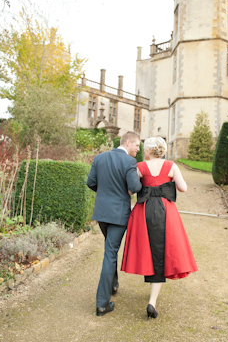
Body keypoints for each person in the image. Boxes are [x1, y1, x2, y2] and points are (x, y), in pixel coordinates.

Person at [121, 136, 198, 319]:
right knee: (163, 251)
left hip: (145, 211)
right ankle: (152, 301)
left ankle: (152, 298)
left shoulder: (140, 166)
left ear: (148, 150)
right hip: (166, 211)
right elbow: (183, 188)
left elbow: (131, 190)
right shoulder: (171, 166)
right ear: (162, 150)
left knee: (148, 250)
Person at [86, 131, 143, 316]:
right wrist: (139, 179)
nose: (138, 149)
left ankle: (113, 285)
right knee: (110, 253)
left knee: (110, 248)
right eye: (137, 145)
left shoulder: (99, 158)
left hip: (102, 213)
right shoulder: (129, 162)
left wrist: (104, 193)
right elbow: (134, 188)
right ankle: (102, 304)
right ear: (127, 143)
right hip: (118, 215)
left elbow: (91, 183)